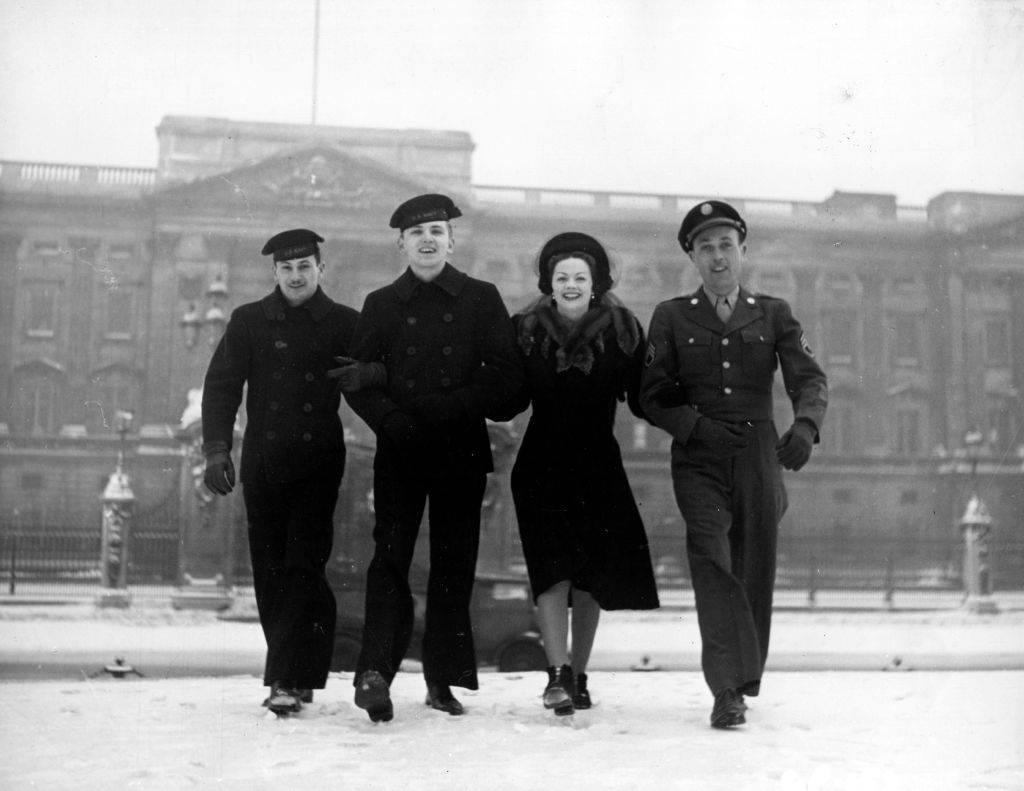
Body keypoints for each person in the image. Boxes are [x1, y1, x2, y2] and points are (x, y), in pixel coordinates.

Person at [639, 201, 828, 729]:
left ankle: (743, 682)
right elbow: (651, 395)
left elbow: (809, 379)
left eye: (726, 244)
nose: (717, 256)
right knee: (711, 560)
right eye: (706, 246)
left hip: (757, 457)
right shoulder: (671, 316)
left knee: (753, 569)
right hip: (698, 458)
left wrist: (806, 427)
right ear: (691, 257)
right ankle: (726, 689)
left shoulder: (774, 312)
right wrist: (695, 427)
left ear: (742, 250)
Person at [342, 194, 523, 722]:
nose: (427, 239)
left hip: (460, 450)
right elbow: (355, 379)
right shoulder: (379, 304)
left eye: (437, 231)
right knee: (389, 563)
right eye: (417, 232)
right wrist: (391, 422)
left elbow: (508, 379)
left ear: (450, 240)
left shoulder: (481, 298)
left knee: (453, 566)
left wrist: (456, 405)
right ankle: (375, 673)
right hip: (399, 451)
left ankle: (441, 678)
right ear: (400, 243)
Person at [201, 228, 374, 715]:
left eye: (305, 267)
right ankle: (301, 674)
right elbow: (221, 387)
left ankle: (283, 677)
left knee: (303, 565)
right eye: (287, 268)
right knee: (270, 571)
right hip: (263, 462)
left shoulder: (345, 323)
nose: (296, 276)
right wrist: (216, 449)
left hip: (318, 464)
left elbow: (367, 389)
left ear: (322, 269)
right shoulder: (250, 320)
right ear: (274, 273)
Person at [505, 232, 660, 717]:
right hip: (540, 465)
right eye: (561, 277)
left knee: (589, 577)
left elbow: (644, 396)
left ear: (596, 284)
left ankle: (579, 673)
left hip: (598, 466)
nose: (571, 285)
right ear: (549, 283)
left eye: (580, 277)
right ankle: (556, 675)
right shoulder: (525, 329)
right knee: (550, 572)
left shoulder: (623, 330)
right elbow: (506, 397)